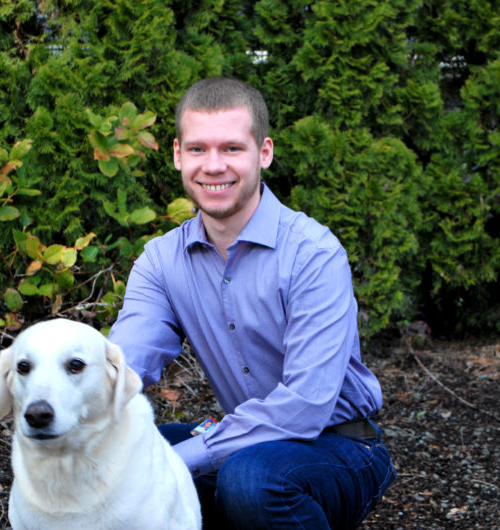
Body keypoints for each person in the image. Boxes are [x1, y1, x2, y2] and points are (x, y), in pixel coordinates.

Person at [109, 77, 396, 529]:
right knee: (133, 456)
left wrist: (187, 457)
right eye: (199, 149)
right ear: (178, 155)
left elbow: (305, 404)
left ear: (263, 153)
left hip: (339, 446)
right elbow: (121, 368)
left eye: (232, 149)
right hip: (249, 446)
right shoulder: (161, 261)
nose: (214, 166)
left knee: (250, 480)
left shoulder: (312, 254)